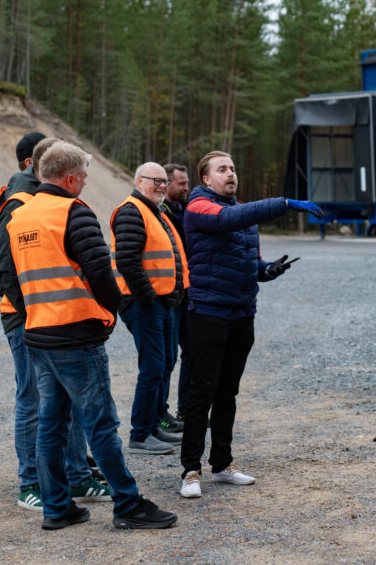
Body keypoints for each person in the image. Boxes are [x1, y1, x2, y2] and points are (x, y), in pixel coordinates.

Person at [0, 141, 178, 530]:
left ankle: (57, 507)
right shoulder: (72, 212)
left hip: (39, 334)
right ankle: (128, 504)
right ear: (70, 178)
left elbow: (10, 279)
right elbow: (101, 272)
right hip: (77, 334)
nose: (84, 184)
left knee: (51, 423)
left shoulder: (19, 217)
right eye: (83, 177)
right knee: (100, 423)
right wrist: (110, 313)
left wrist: (36, 315)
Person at [177, 150, 322, 499]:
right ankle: (190, 471)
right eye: (222, 169)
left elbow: (250, 262)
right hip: (208, 314)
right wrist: (285, 202)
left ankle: (222, 464)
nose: (231, 174)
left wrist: (267, 270)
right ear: (206, 179)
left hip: (242, 314)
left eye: (233, 168)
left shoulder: (241, 213)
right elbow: (229, 220)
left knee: (228, 392)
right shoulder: (200, 207)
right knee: (201, 393)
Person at [0, 134, 108, 513]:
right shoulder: (19, 203)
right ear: (35, 164)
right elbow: (4, 270)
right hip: (28, 320)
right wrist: (35, 315)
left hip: (54, 319)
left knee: (67, 402)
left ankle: (76, 477)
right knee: (34, 400)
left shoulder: (47, 201)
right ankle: (31, 483)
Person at [111, 162, 188, 455]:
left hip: (162, 302)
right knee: (153, 367)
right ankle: (140, 435)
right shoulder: (131, 210)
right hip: (146, 303)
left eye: (164, 181)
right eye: (155, 180)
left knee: (165, 362)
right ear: (139, 181)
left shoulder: (156, 212)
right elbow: (128, 261)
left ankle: (155, 424)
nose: (161, 185)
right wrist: (148, 297)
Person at [159, 163, 190, 428]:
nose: (186, 188)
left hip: (186, 293)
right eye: (182, 183)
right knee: (166, 359)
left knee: (190, 352)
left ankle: (185, 410)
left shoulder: (184, 210)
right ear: (167, 184)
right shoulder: (161, 213)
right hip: (170, 296)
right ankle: (161, 416)